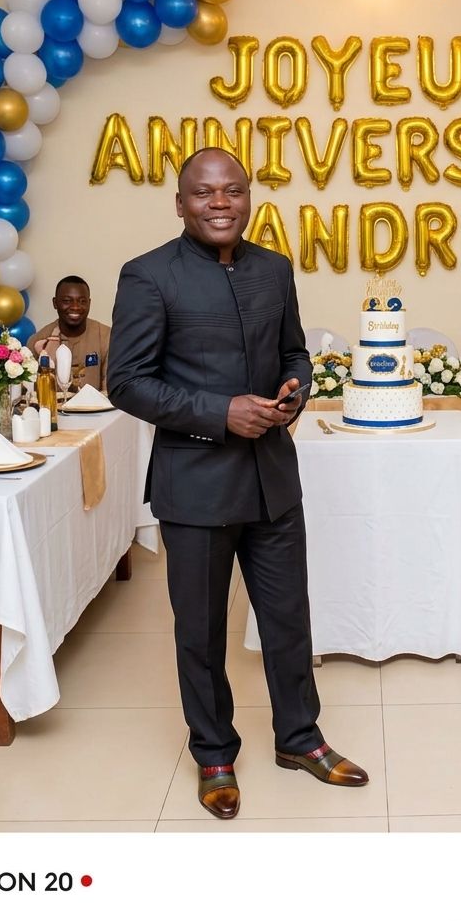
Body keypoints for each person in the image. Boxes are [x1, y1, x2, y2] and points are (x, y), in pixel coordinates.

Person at [108, 147, 367, 821]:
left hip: (272, 480)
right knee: (200, 632)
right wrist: (220, 412)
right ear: (180, 203)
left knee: (288, 620)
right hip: (195, 486)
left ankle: (300, 739)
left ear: (248, 198)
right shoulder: (148, 275)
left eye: (233, 190)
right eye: (204, 192)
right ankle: (214, 753)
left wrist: (295, 388)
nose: (219, 202)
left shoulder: (274, 269)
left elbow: (294, 351)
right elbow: (126, 382)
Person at [27, 275, 110, 392]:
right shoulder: (38, 340)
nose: (75, 307)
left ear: (89, 303)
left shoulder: (106, 336)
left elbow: (110, 387)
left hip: (96, 403)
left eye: (82, 301)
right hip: (54, 403)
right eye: (67, 301)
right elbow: (30, 391)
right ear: (55, 303)